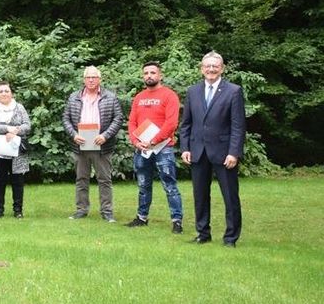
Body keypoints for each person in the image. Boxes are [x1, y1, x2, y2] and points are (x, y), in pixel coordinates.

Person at [179, 51, 246, 247]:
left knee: (230, 196)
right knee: (200, 195)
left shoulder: (233, 91)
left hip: (225, 153)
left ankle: (230, 238)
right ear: (201, 69)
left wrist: (234, 152)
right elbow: (186, 124)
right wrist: (185, 148)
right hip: (198, 151)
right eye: (207, 66)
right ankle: (203, 233)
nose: (211, 69)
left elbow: (238, 126)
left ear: (222, 69)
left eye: (215, 66)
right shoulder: (193, 91)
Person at [125, 61, 184, 233]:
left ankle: (177, 221)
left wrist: (154, 141)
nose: (149, 76)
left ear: (160, 75)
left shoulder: (169, 95)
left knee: (170, 185)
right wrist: (136, 142)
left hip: (163, 148)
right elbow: (132, 123)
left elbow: (171, 123)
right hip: (142, 148)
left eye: (152, 72)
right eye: (146, 73)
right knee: (143, 185)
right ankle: (141, 218)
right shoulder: (139, 97)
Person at [62, 66, 125, 222]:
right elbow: (66, 119)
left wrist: (105, 135)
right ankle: (81, 209)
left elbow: (118, 119)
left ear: (99, 79)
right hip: (80, 145)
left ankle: (107, 211)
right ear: (84, 79)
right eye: (88, 77)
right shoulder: (73, 97)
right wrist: (74, 135)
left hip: (102, 145)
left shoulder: (110, 97)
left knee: (104, 179)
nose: (91, 80)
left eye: (94, 77)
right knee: (81, 179)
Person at [0, 81, 30, 218]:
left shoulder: (19, 107)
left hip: (16, 151)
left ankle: (18, 210)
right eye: (1, 91)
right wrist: (7, 129)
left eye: (6, 91)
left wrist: (16, 131)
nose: (4, 93)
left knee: (18, 181)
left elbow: (27, 125)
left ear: (12, 93)